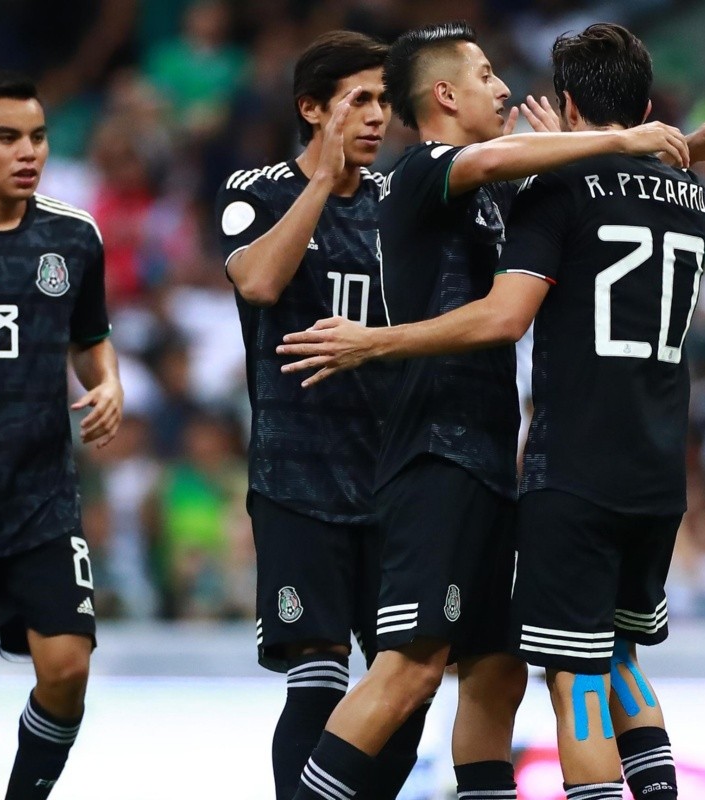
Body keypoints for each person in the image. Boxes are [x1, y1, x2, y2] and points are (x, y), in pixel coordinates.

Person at [278, 22, 705, 800]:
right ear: (445, 95)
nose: (501, 87)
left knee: (496, 673)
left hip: (497, 457)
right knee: (412, 670)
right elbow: (506, 190)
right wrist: (625, 142)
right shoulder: (423, 171)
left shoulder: (514, 189)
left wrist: (630, 144)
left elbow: (573, 189)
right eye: (484, 73)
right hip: (436, 455)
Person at [213, 31, 427, 800]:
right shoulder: (255, 189)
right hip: (297, 479)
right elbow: (261, 282)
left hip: (391, 483)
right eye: (358, 100)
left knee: (409, 687)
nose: (377, 117)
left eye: (383, 100)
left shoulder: (398, 205)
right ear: (311, 108)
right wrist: (321, 180)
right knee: (317, 678)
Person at [0, 73, 123, 799]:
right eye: (7, 137)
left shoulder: (74, 235)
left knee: (68, 668)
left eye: (37, 136)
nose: (27, 151)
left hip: (40, 494)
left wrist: (108, 381)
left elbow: (91, 336)